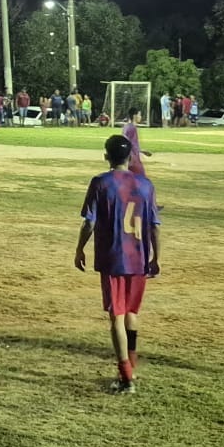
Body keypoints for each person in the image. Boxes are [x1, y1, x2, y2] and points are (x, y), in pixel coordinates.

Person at [74, 133, 161, 394]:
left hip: (113, 257)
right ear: (131, 157)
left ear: (105, 156)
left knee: (117, 317)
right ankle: (131, 366)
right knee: (131, 315)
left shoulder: (101, 183)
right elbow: (155, 225)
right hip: (138, 258)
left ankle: (125, 378)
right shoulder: (146, 185)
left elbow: (89, 222)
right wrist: (156, 257)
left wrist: (79, 249)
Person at [121, 109, 150, 177]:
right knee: (141, 178)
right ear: (134, 116)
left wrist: (141, 151)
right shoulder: (132, 128)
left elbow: (129, 142)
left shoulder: (127, 126)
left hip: (129, 157)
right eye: (139, 114)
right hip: (133, 158)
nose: (140, 116)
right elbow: (128, 143)